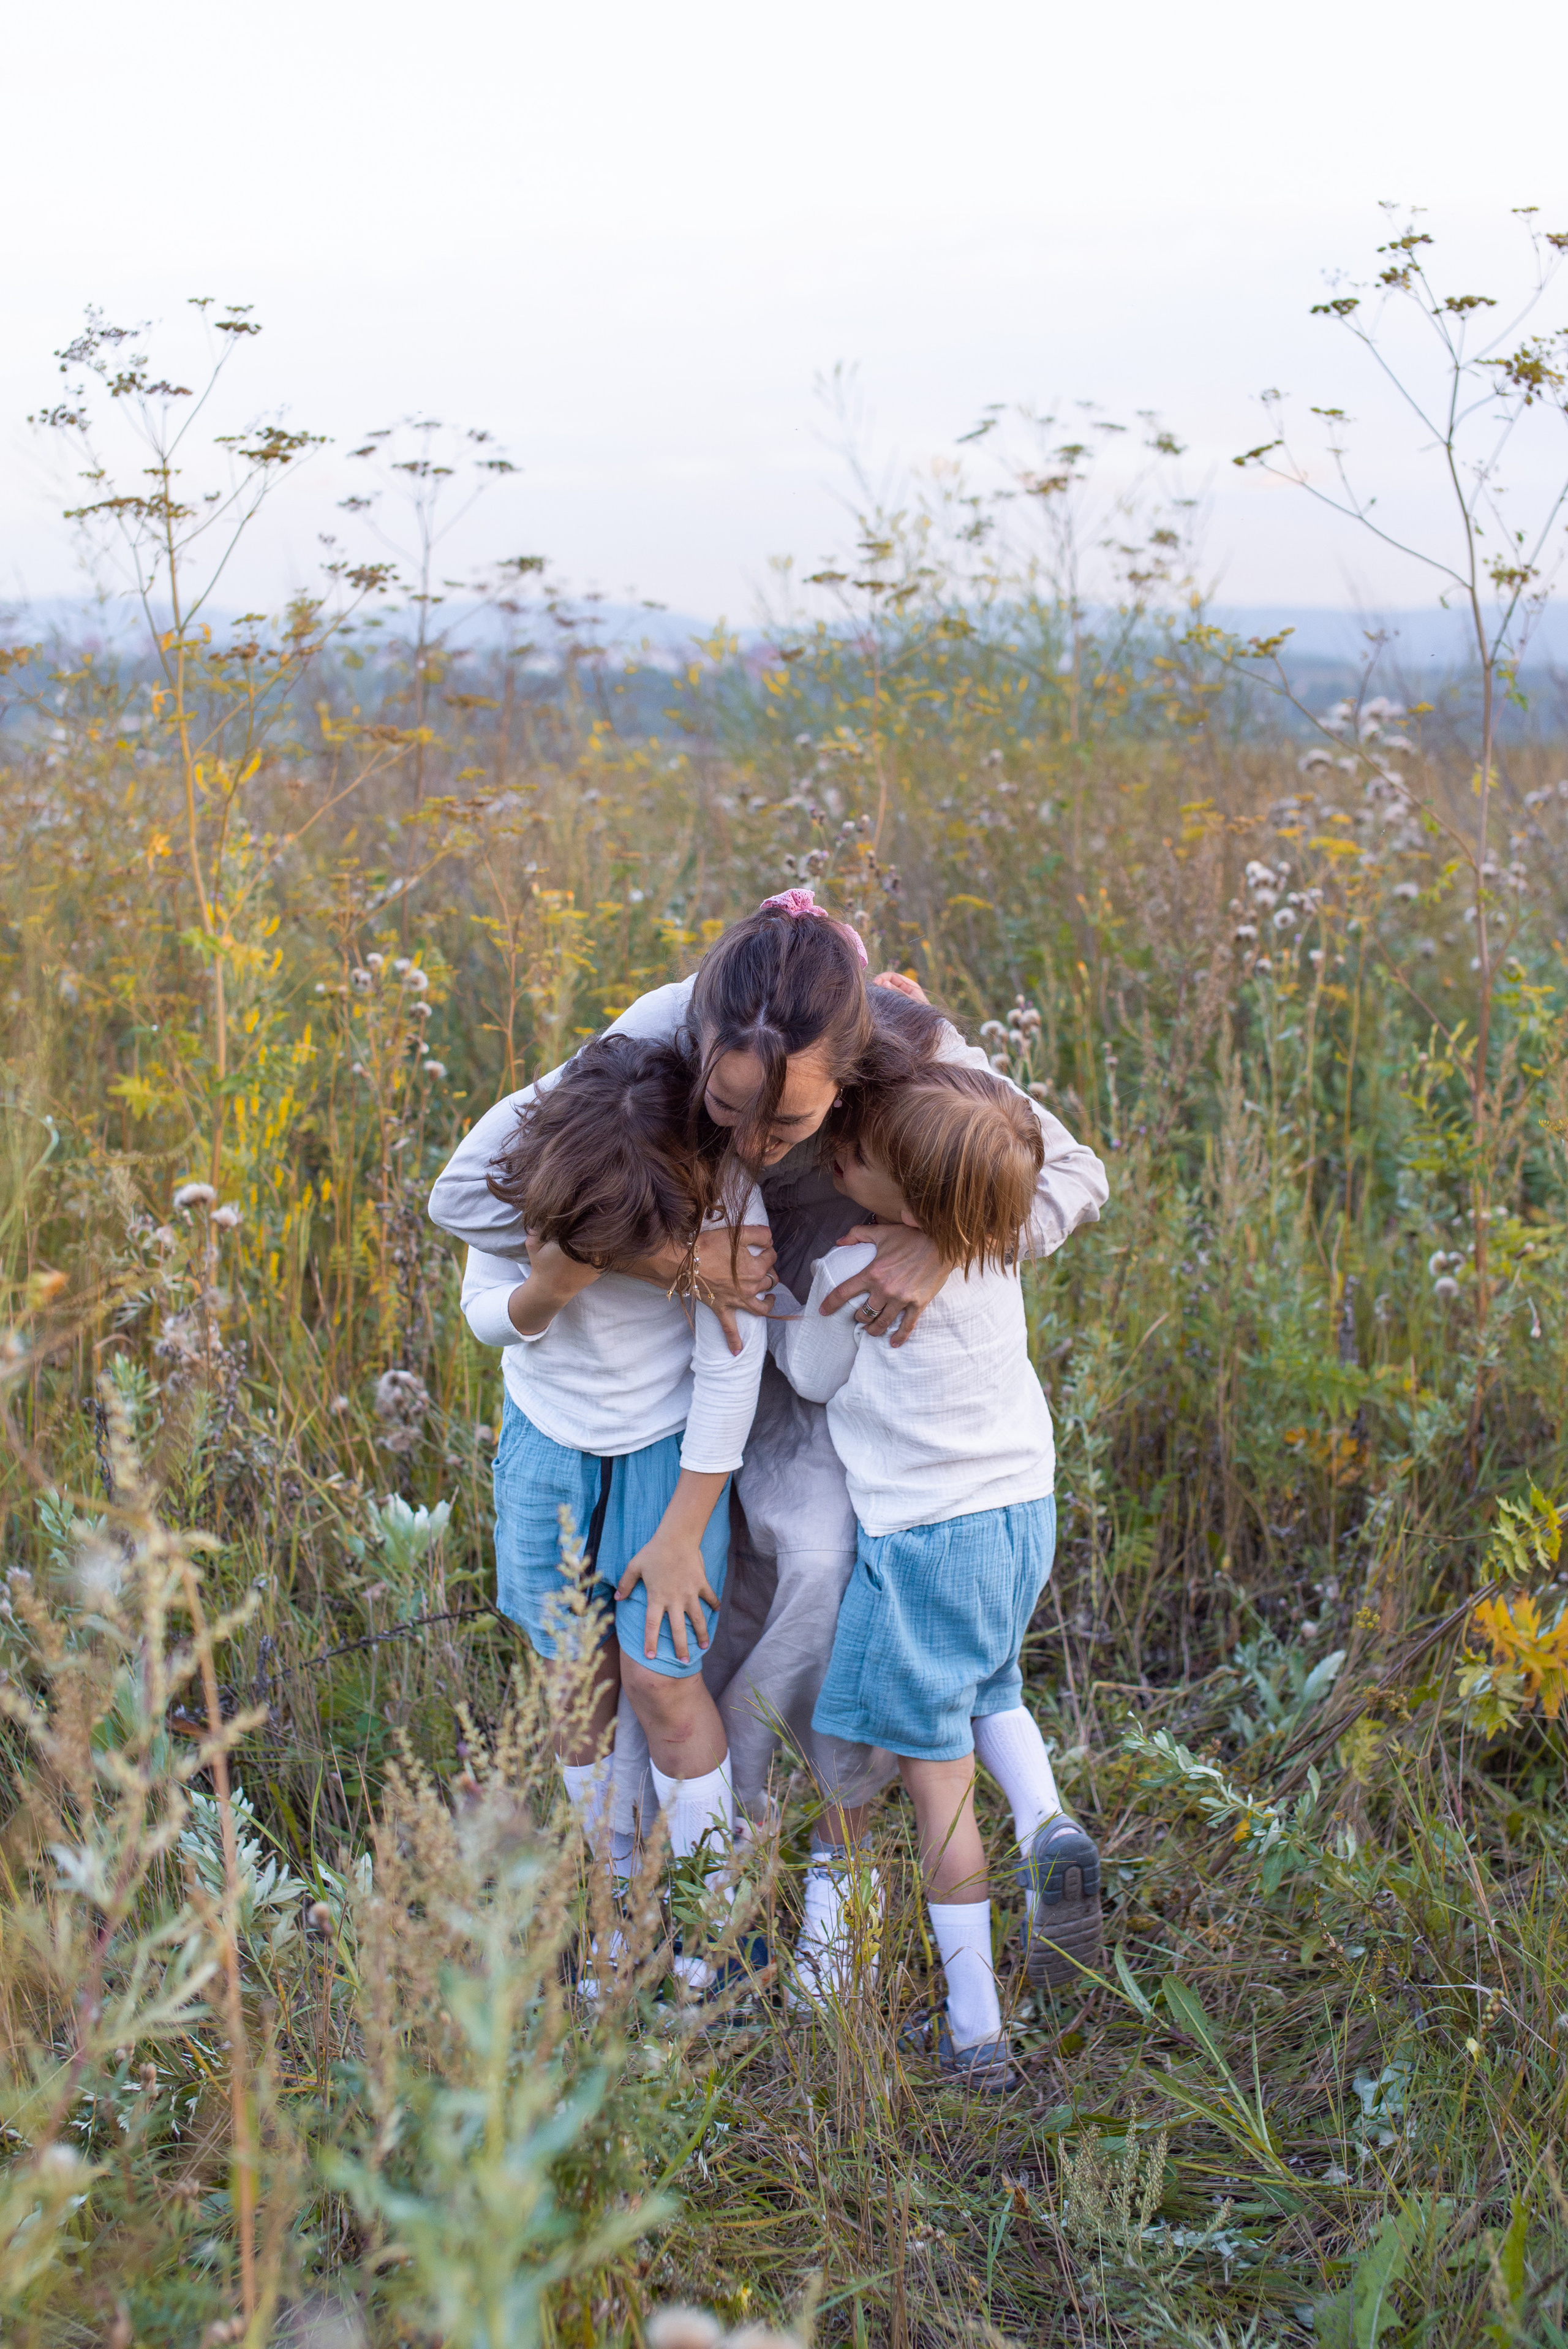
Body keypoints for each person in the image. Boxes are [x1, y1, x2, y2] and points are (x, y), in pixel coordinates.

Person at [428, 892, 1108, 1954]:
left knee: (818, 1566)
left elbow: (1071, 1174)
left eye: (785, 1126)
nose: (747, 1142)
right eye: (726, 1104)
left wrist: (943, 1238)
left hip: (844, 1359)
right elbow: (471, 1196)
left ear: (851, 1073)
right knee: (674, 1617)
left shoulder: (911, 1042)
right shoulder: (658, 1029)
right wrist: (662, 1255)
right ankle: (677, 1861)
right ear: (698, 1038)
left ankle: (808, 1865)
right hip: (699, 1353)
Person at [772, 1062, 1102, 2090]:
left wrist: (783, 1302)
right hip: (1022, 1515)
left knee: (931, 1788)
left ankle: (976, 2033)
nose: (841, 1151)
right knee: (990, 1681)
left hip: (923, 1544)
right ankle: (1045, 1819)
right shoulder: (991, 1237)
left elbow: (808, 1374)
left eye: (862, 1156)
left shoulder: (852, 1266)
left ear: (915, 1202)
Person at [459, 1031, 772, 1990]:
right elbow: (483, 1312)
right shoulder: (531, 1168)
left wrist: (682, 1529)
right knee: (572, 1679)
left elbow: (732, 1364)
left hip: (667, 1458)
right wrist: (545, 1290)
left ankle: (717, 1916)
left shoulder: (717, 1188)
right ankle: (617, 1899)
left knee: (662, 1678)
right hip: (546, 1449)